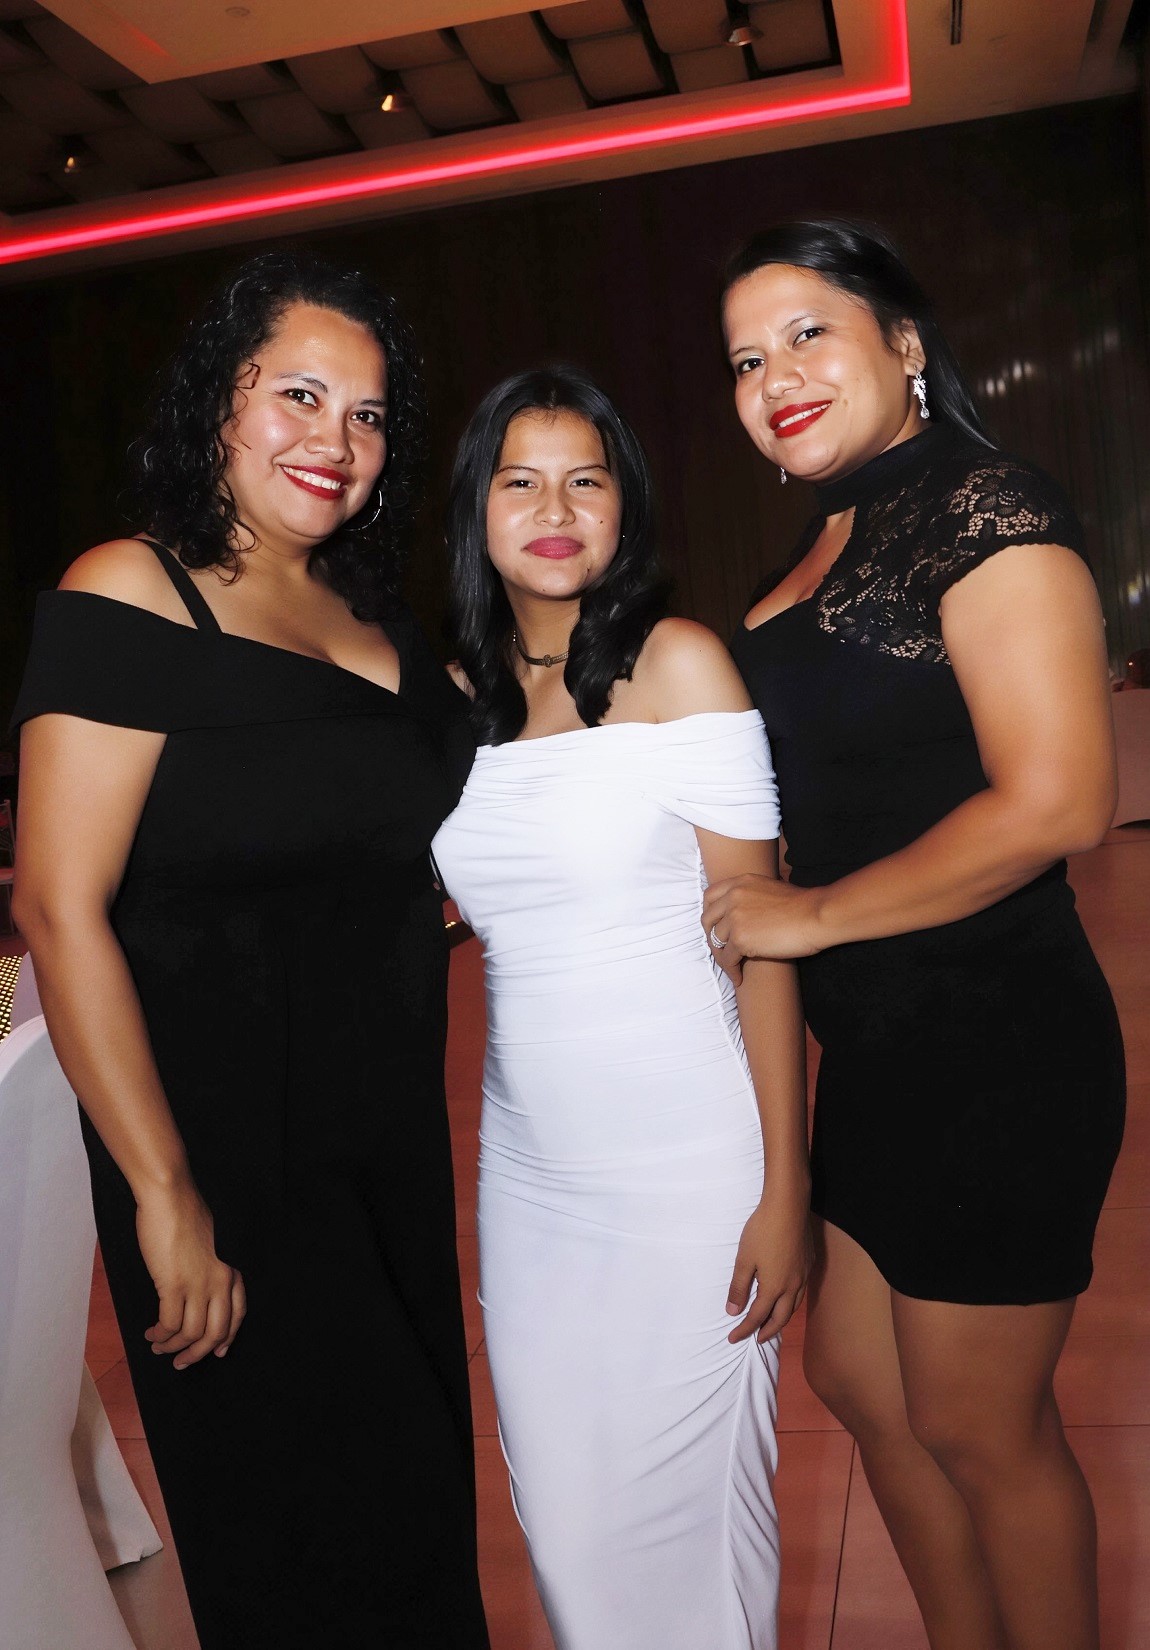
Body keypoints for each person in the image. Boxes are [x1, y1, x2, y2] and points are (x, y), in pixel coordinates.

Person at [11, 251, 490, 1650]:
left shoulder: (370, 610)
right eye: (298, 395)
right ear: (219, 402)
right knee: (296, 1548)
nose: (334, 438)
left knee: (413, 1519)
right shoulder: (133, 590)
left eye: (368, 413)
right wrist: (163, 1192)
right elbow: (60, 908)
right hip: (220, 1162)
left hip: (383, 1151)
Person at [710, 218, 1125, 1650]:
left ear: (901, 342)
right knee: (862, 1384)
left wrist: (808, 914)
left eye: (806, 335)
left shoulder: (983, 504)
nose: (774, 377)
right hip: (878, 1052)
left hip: (993, 1037)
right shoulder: (828, 530)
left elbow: (1060, 798)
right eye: (744, 361)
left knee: (977, 1422)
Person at [430, 366, 810, 1650]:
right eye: (519, 481)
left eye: (584, 480)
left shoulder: (679, 664)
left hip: (688, 1173)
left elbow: (761, 942)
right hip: (530, 1181)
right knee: (569, 1536)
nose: (554, 509)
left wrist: (785, 1186)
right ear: (476, 509)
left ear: (624, 508)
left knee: (687, 1541)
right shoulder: (454, 700)